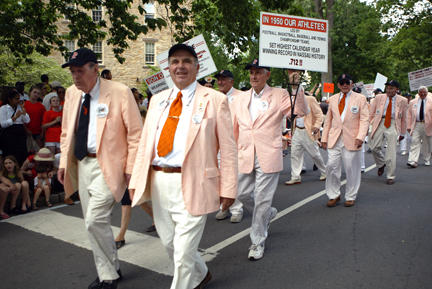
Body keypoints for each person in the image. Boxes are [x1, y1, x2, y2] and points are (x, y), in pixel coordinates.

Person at [129, 43, 237, 289]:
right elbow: (145, 145)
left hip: (196, 182)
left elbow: (229, 149)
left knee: (183, 252)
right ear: (168, 67)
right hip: (159, 182)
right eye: (175, 61)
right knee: (171, 245)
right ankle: (201, 273)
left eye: (186, 61)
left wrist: (229, 187)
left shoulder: (215, 100)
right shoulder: (157, 100)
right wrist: (136, 181)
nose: (180, 66)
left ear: (197, 67)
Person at [58, 47, 142, 289]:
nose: (75, 77)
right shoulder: (73, 94)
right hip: (82, 164)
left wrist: (130, 168)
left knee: (94, 220)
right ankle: (111, 266)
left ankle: (109, 277)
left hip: (111, 165)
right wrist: (64, 163)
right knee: (95, 222)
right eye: (72, 72)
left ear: (95, 69)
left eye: (80, 71)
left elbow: (136, 135)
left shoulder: (119, 92)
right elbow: (66, 132)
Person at [230, 59, 307, 260]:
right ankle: (268, 213)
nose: (254, 76)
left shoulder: (280, 94)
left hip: (268, 153)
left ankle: (257, 241)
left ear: (268, 75)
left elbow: (298, 112)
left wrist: (295, 86)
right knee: (242, 194)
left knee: (262, 199)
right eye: (251, 72)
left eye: (258, 72)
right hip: (245, 153)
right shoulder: (240, 98)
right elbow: (235, 128)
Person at [321, 74, 369, 207]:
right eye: (342, 83)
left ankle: (351, 196)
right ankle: (333, 194)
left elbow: (365, 119)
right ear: (338, 85)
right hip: (334, 138)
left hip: (352, 139)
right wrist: (324, 138)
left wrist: (361, 137)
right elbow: (328, 121)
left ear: (352, 83)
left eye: (347, 82)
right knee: (331, 166)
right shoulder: (332, 99)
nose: (344, 85)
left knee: (351, 168)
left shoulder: (360, 98)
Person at [285, 70, 326, 185]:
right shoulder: (291, 99)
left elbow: (319, 115)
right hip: (297, 130)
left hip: (308, 131)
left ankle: (325, 171)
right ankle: (295, 176)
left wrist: (316, 126)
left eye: (296, 78)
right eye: (292, 79)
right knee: (295, 154)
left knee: (315, 154)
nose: (294, 80)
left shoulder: (310, 99)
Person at [213, 69, 244, 223]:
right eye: (218, 79)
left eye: (224, 79)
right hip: (217, 145)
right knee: (220, 177)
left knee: (234, 177)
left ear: (231, 81)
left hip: (235, 145)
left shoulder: (241, 97)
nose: (220, 82)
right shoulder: (215, 97)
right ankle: (224, 206)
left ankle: (236, 209)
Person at [369, 80, 408, 185]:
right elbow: (371, 113)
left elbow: (404, 118)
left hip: (393, 123)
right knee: (373, 147)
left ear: (396, 89)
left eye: (391, 88)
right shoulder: (378, 97)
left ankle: (390, 176)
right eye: (387, 88)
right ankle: (381, 163)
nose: (389, 90)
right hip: (379, 122)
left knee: (391, 151)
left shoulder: (403, 100)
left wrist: (403, 134)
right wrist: (371, 123)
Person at [0, 88, 30, 165]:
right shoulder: (3, 108)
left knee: (21, 153)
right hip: (9, 133)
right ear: (10, 99)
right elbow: (3, 124)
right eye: (16, 99)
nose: (18, 101)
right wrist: (14, 118)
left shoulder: (19, 108)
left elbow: (27, 120)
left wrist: (24, 112)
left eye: (19, 99)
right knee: (10, 154)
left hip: (20, 133)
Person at [407, 86, 432, 167]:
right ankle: (412, 160)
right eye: (421, 92)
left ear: (427, 93)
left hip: (427, 125)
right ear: (418, 93)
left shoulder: (431, 101)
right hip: (416, 124)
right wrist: (409, 126)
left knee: (426, 143)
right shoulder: (412, 102)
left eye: (424, 92)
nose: (422, 93)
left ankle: (427, 159)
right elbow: (409, 115)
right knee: (414, 142)